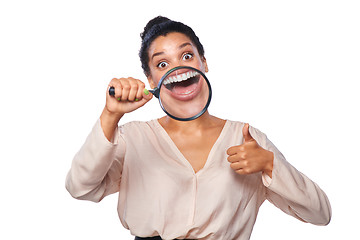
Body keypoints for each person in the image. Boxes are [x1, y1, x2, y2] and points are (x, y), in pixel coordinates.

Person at [65, 16, 331, 240]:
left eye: (187, 55)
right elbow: (80, 188)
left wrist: (271, 165)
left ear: (203, 62)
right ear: (151, 80)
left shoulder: (247, 139)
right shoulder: (133, 138)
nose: (177, 67)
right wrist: (111, 115)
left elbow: (320, 214)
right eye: (162, 63)